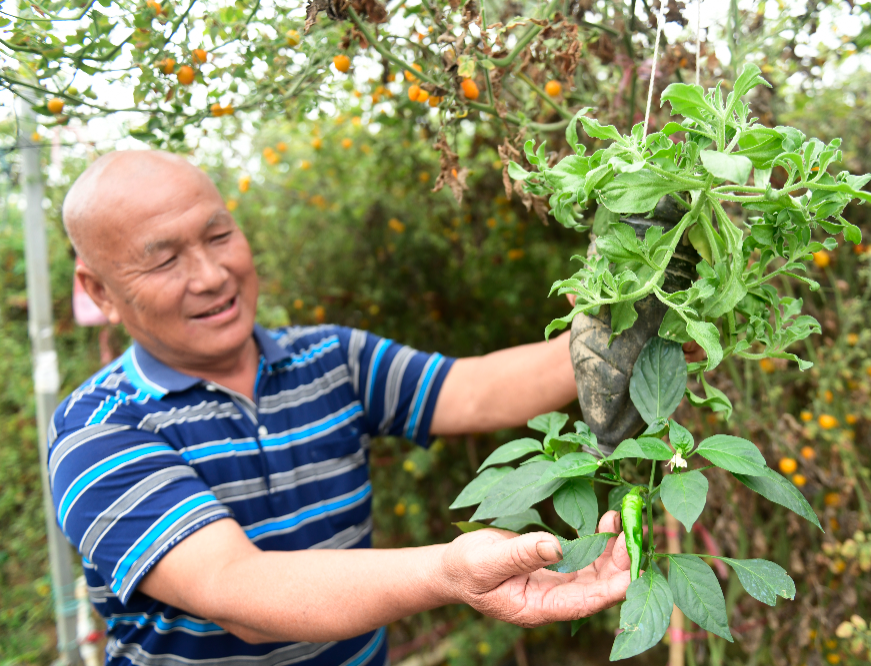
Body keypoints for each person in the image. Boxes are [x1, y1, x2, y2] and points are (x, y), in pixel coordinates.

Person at [50, 150, 638, 666]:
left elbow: (472, 389)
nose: (211, 274)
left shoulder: (329, 357)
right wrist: (449, 573)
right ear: (99, 290)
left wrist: (612, 340)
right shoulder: (98, 429)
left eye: (219, 235)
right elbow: (239, 591)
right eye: (164, 259)